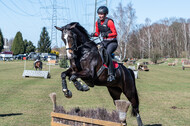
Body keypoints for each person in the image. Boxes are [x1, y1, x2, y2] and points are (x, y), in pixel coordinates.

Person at [91, 6, 118, 82]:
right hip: (104, 42)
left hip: (112, 42)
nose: (100, 15)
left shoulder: (109, 22)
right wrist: (92, 35)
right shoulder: (97, 22)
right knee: (94, 50)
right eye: (99, 14)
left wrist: (107, 35)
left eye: (102, 14)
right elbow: (97, 33)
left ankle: (112, 74)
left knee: (107, 53)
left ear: (105, 14)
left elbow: (115, 33)